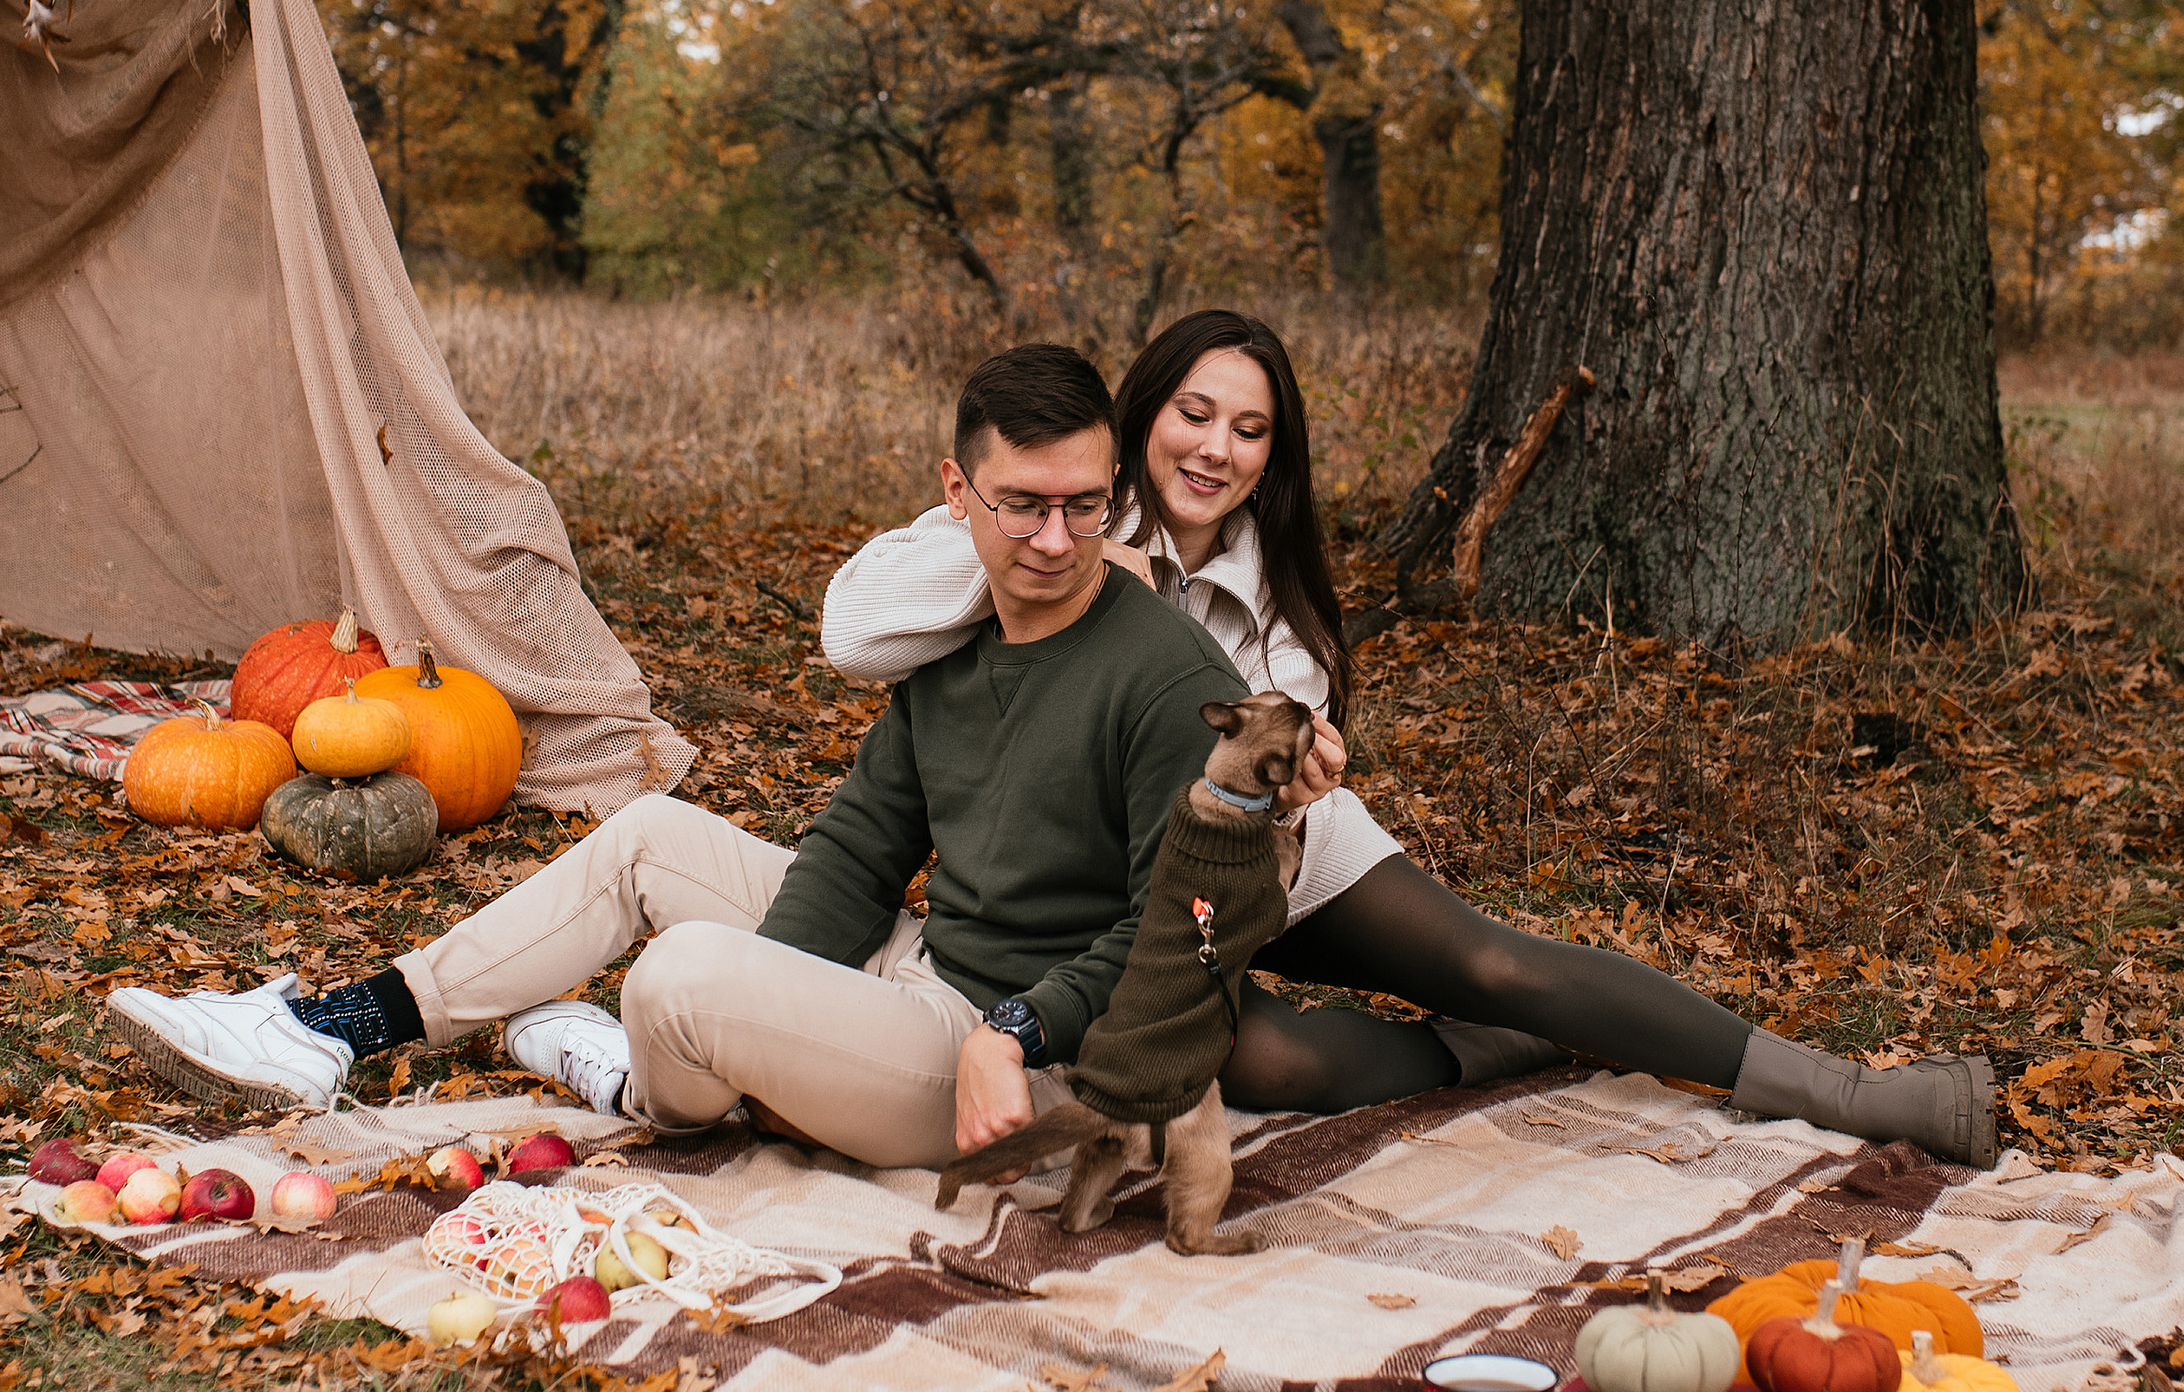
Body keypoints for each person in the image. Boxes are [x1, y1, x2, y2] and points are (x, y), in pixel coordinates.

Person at [106, 343, 1328, 1171]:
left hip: (1012, 1058)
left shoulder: (1170, 679)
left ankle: (644, 1075)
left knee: (684, 976)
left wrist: (1008, 1027)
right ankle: (332, 1029)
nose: (1056, 539)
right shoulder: (954, 646)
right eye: (1022, 503)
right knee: (648, 841)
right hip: (919, 972)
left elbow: (1171, 924)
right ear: (957, 492)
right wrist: (781, 995)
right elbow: (860, 844)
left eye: (1084, 506)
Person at [820, 306, 1996, 1163]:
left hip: (1275, 867)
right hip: (1123, 892)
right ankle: (1480, 1052)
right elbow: (854, 631)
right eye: (1192, 413)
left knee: (1496, 961)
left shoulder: (1272, 603)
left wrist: (1289, 773)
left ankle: (1844, 1089)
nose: (1215, 449)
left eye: (1249, 428)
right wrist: (1085, 562)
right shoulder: (1041, 509)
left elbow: (1254, 782)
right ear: (1139, 421)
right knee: (1261, 1065)